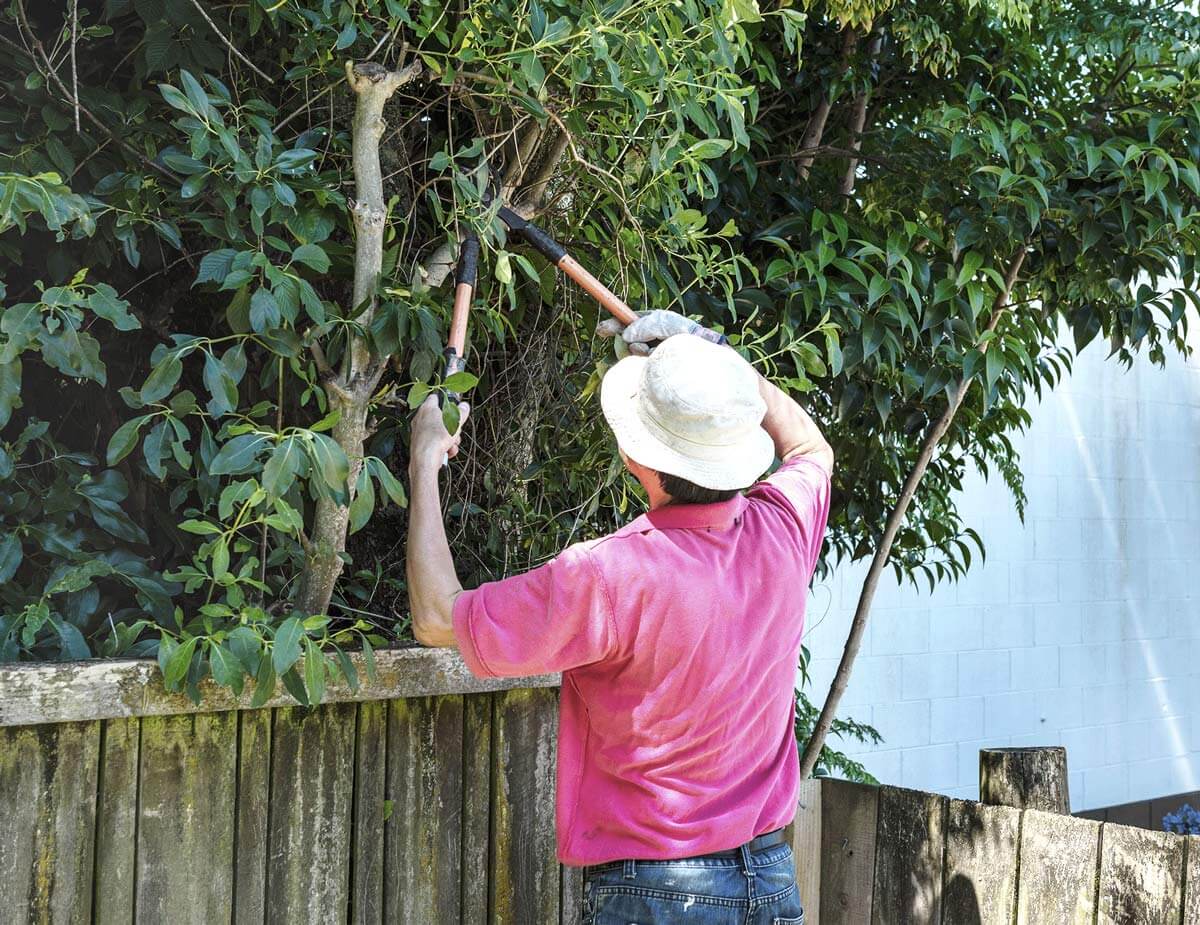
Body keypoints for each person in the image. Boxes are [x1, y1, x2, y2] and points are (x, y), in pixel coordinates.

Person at [406, 309, 833, 924]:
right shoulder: (783, 528)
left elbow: (435, 618)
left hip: (655, 893)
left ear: (633, 454)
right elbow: (810, 446)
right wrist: (712, 356)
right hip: (769, 880)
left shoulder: (607, 576)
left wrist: (423, 463)